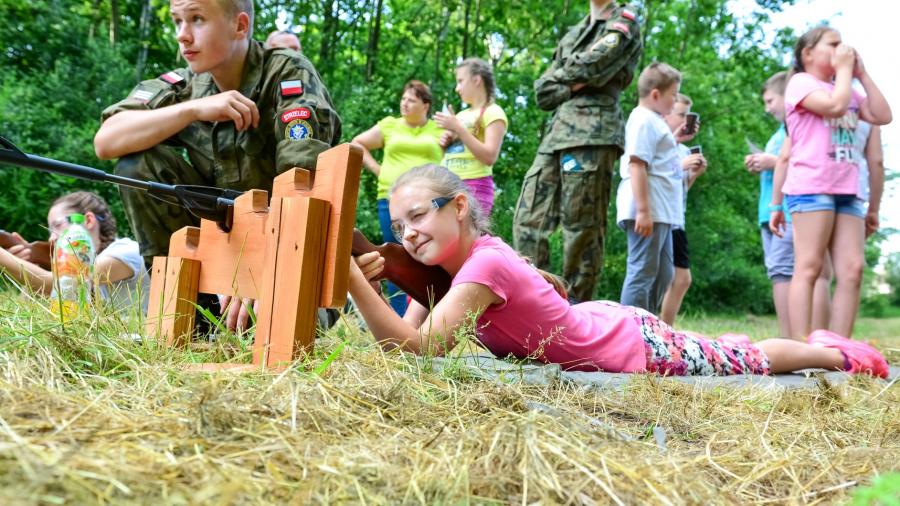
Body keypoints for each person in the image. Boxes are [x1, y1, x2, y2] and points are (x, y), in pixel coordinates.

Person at [346, 164, 889, 378]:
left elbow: (417, 350)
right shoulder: (443, 272)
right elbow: (408, 343)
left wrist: (350, 277)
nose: (408, 233)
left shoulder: (485, 263)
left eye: (419, 215)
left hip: (631, 345)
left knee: (750, 362)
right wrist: (381, 279)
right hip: (606, 324)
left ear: (460, 206)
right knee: (721, 349)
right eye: (399, 225)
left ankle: (837, 354)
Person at [93, 0, 341, 331]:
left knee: (277, 333)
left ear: (240, 25)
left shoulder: (285, 71)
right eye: (177, 21)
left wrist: (261, 272)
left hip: (290, 259)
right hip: (216, 260)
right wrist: (193, 110)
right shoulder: (185, 87)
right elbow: (107, 141)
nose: (182, 35)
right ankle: (187, 309)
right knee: (137, 165)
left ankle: (264, 309)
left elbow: (303, 184)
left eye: (197, 19)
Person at [513, 0, 642, 303]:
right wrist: (577, 82)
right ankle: (535, 301)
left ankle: (575, 310)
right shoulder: (574, 32)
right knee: (528, 220)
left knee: (582, 228)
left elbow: (598, 62)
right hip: (555, 135)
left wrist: (566, 77)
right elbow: (543, 92)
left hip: (593, 134)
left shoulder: (625, 19)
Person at [769, 26, 891, 340]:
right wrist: (846, 70)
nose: (842, 49)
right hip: (812, 186)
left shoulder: (847, 88)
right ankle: (801, 346)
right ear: (808, 53)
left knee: (852, 270)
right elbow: (834, 106)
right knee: (809, 266)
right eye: (833, 44)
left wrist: (861, 74)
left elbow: (882, 115)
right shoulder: (801, 83)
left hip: (848, 190)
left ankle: (838, 349)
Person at [744, 71, 830, 337]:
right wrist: (762, 163)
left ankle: (792, 339)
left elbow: (808, 163)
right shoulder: (780, 133)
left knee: (786, 272)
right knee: (786, 272)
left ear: (787, 96)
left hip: (790, 213)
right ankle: (799, 338)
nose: (767, 108)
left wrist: (773, 162)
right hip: (772, 213)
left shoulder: (798, 127)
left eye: (770, 101)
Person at [352, 80, 443, 315]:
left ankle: (433, 317)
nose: (405, 103)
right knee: (397, 258)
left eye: (411, 100)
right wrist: (379, 170)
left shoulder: (438, 130)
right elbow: (358, 143)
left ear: (426, 105)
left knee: (428, 258)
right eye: (403, 98)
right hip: (390, 201)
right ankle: (400, 319)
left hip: (427, 204)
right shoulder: (390, 125)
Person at [0, 191, 149, 312]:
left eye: (57, 225)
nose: (51, 238)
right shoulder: (91, 262)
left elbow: (61, 286)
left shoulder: (127, 251)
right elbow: (26, 311)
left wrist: (3, 257)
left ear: (88, 220)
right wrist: (31, 263)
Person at [615, 62, 684, 314]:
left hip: (662, 211)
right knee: (642, 271)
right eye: (673, 95)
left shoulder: (655, 121)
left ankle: (649, 323)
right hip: (648, 210)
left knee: (664, 273)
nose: (675, 101)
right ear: (655, 94)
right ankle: (630, 327)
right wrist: (643, 211)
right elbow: (636, 164)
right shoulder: (643, 120)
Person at [434, 58, 507, 216]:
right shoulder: (461, 115)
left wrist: (459, 129)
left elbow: (489, 157)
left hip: (475, 187)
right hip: (447, 186)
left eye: (460, 81)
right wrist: (446, 142)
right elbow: (456, 150)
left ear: (476, 80)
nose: (457, 88)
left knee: (470, 232)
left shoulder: (493, 112)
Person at [659, 93, 706, 325]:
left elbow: (680, 189)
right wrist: (680, 166)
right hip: (662, 217)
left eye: (689, 116)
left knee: (681, 279)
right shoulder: (660, 144)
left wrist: (693, 174)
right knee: (676, 277)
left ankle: (665, 328)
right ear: (666, 115)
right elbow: (653, 176)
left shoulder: (684, 150)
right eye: (681, 115)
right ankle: (663, 328)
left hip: (677, 218)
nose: (686, 121)